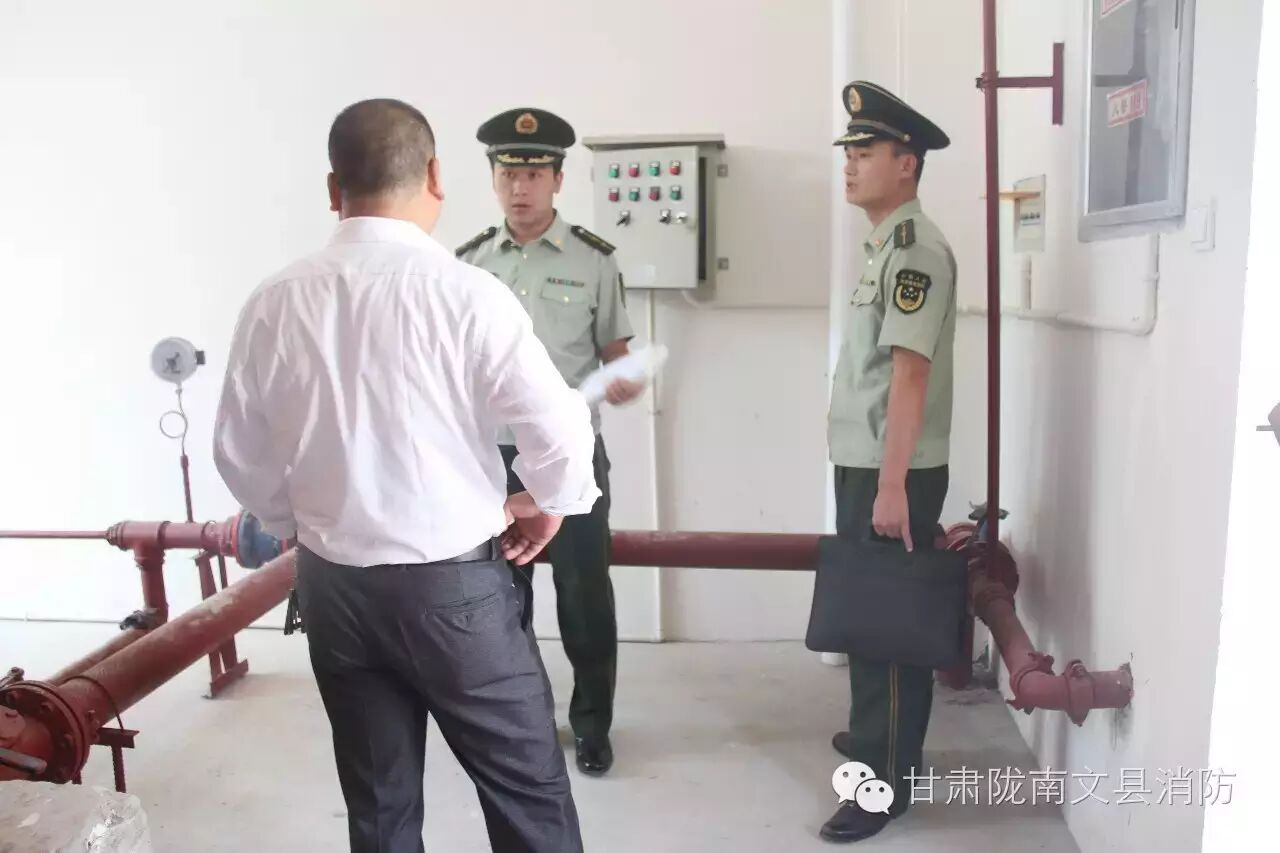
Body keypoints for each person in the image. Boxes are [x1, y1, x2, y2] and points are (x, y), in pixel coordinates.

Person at [212, 98, 599, 853]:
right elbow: (557, 429)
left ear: (334, 189)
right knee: (527, 798)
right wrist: (551, 502)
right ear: (435, 177)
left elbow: (239, 451)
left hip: (334, 591)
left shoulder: (274, 301)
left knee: (380, 807)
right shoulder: (467, 293)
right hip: (454, 596)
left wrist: (295, 520)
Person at [457, 107, 643, 777]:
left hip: (570, 456)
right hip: (492, 459)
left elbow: (616, 354)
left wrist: (624, 380)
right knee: (499, 602)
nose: (520, 187)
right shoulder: (469, 263)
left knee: (584, 596)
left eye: (534, 173)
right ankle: (523, 723)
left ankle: (593, 725)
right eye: (508, 173)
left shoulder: (595, 261)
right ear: (493, 179)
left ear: (558, 180)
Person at [822, 81, 956, 844]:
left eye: (864, 151)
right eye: (848, 151)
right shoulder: (884, 244)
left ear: (907, 163)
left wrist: (894, 484)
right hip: (868, 462)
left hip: (891, 470)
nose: (849, 164)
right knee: (868, 616)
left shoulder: (915, 251)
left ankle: (883, 781)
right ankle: (880, 736)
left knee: (888, 629)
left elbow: (910, 373)